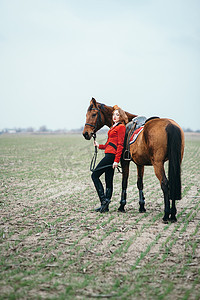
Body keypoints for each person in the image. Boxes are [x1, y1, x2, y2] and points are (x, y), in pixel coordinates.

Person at [91, 105, 128, 213]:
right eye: (114, 115)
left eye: (117, 115)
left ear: (121, 116)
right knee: (108, 180)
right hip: (109, 154)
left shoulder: (121, 127)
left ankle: (104, 201)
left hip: (112, 156)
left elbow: (120, 145)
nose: (115, 116)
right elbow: (109, 143)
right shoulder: (113, 127)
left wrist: (116, 160)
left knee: (94, 175)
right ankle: (105, 206)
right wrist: (100, 146)